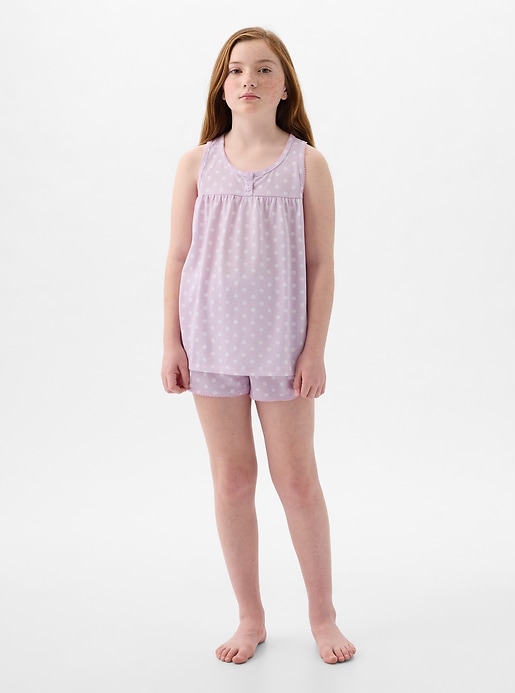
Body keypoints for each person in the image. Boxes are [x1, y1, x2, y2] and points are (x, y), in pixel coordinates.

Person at [161, 26, 356, 665]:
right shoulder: (196, 164)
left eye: (265, 69)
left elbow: (322, 264)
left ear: (285, 86)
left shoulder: (307, 164)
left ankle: (323, 616)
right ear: (222, 87)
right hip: (209, 341)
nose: (250, 79)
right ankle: (250, 618)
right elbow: (178, 256)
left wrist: (314, 350)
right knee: (232, 480)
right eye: (238, 69)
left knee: (297, 480)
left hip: (283, 346)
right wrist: (171, 342)